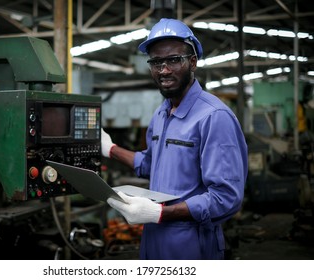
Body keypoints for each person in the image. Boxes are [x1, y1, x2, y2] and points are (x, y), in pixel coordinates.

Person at [101, 18, 248, 260]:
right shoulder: (161, 113)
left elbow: (226, 198)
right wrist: (109, 148)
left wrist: (160, 214)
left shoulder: (214, 117)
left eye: (173, 60)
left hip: (192, 245)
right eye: (156, 62)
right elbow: (151, 163)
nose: (164, 70)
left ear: (192, 63)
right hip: (153, 241)